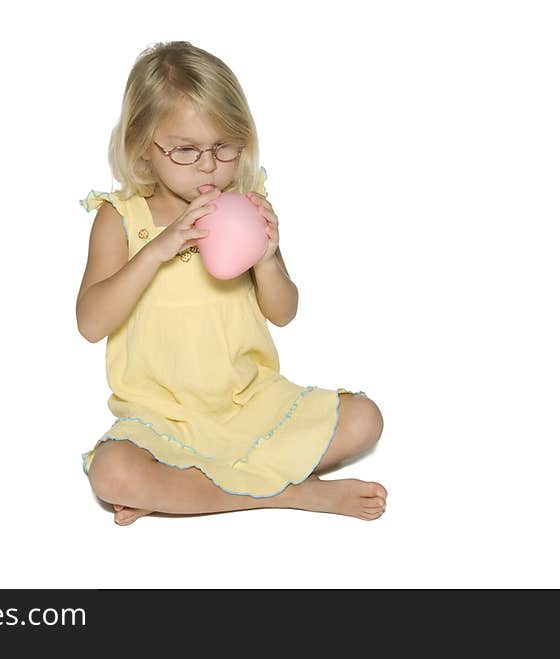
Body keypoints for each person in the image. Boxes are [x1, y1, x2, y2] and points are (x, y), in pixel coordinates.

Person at [76, 41, 387, 525]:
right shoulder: (122, 219)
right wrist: (158, 249)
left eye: (224, 146)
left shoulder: (243, 205)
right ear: (141, 144)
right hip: (163, 417)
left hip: (251, 402)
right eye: (186, 150)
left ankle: (183, 491)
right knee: (112, 472)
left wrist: (267, 257)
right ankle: (294, 494)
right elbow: (91, 323)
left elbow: (283, 313)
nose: (208, 164)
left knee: (365, 418)